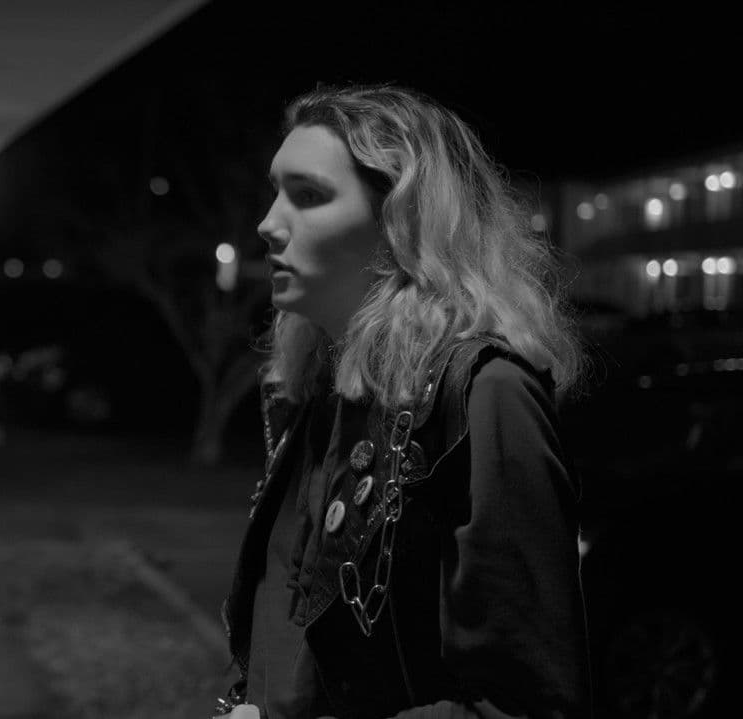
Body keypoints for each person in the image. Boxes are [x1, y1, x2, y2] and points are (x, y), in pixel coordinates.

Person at [215, 84, 592, 719]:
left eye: (308, 195)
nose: (268, 224)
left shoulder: (485, 392)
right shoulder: (321, 386)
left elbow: (529, 703)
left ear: (401, 222)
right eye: (276, 192)